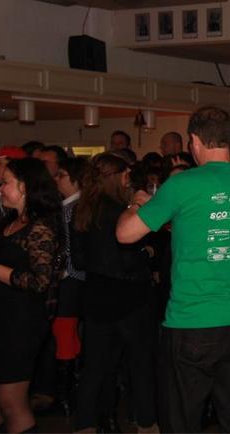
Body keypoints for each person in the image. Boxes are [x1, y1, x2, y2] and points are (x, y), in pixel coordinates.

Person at [116, 106, 230, 433]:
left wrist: (137, 202)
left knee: (181, 419)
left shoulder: (182, 185)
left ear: (195, 140)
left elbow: (125, 234)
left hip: (192, 321)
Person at [71, 153, 157, 433]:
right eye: (125, 175)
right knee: (139, 365)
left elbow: (79, 260)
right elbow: (128, 260)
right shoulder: (121, 211)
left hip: (96, 296)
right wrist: (146, 254)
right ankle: (146, 423)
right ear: (118, 177)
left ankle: (85, 424)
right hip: (129, 297)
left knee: (94, 367)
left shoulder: (82, 210)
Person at [0, 158, 62, 433]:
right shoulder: (10, 222)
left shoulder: (40, 227)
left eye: (5, 182)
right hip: (1, 316)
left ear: (25, 187)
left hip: (20, 323)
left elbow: (39, 282)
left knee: (12, 404)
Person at [51, 156, 89, 417]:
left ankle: (66, 397)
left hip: (70, 282)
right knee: (71, 336)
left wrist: (64, 273)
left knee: (65, 335)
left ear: (76, 180)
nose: (57, 180)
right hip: (78, 282)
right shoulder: (78, 207)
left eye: (62, 175)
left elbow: (70, 251)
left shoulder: (71, 209)